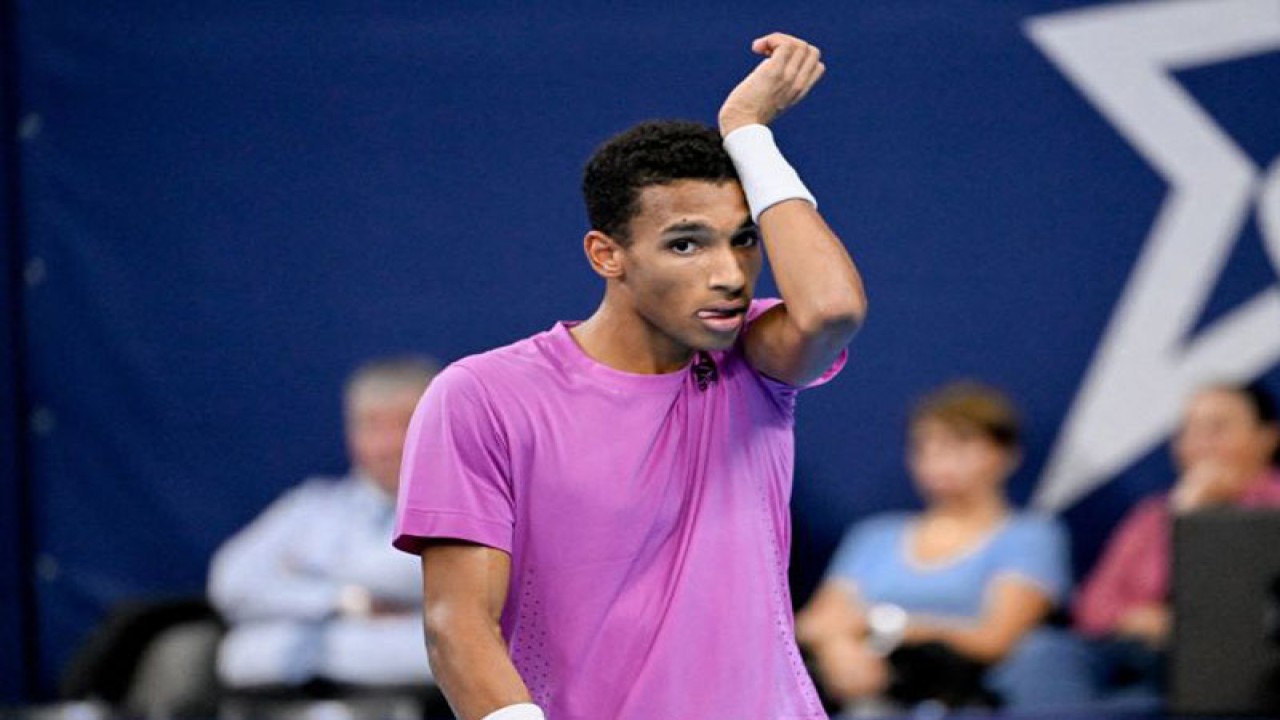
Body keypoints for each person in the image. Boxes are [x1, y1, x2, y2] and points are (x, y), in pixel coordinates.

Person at [392, 33, 866, 720]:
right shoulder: (483, 396)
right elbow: (457, 625)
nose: (729, 275)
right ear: (606, 255)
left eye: (743, 239)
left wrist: (749, 133)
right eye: (685, 243)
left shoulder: (756, 359)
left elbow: (833, 307)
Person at [795, 381, 1090, 713]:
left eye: (958, 445)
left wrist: (883, 624)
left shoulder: (1030, 536)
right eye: (924, 447)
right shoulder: (875, 535)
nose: (937, 460)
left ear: (1006, 455)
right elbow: (813, 623)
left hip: (961, 698)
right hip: (856, 694)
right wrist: (839, 647)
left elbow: (994, 638)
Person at [209, 356, 438, 693]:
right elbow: (232, 584)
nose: (388, 446)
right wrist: (346, 601)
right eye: (372, 426)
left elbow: (412, 586)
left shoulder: (477, 511)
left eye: (404, 425)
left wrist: (305, 576)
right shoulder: (310, 507)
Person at [1073, 380, 1280, 703]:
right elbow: (1093, 606)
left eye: (1217, 429)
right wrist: (1134, 617)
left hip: (1242, 673)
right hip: (1138, 659)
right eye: (1189, 431)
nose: (1199, 444)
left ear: (1267, 437)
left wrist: (1192, 519)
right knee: (1046, 653)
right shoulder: (1153, 514)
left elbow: (1246, 605)